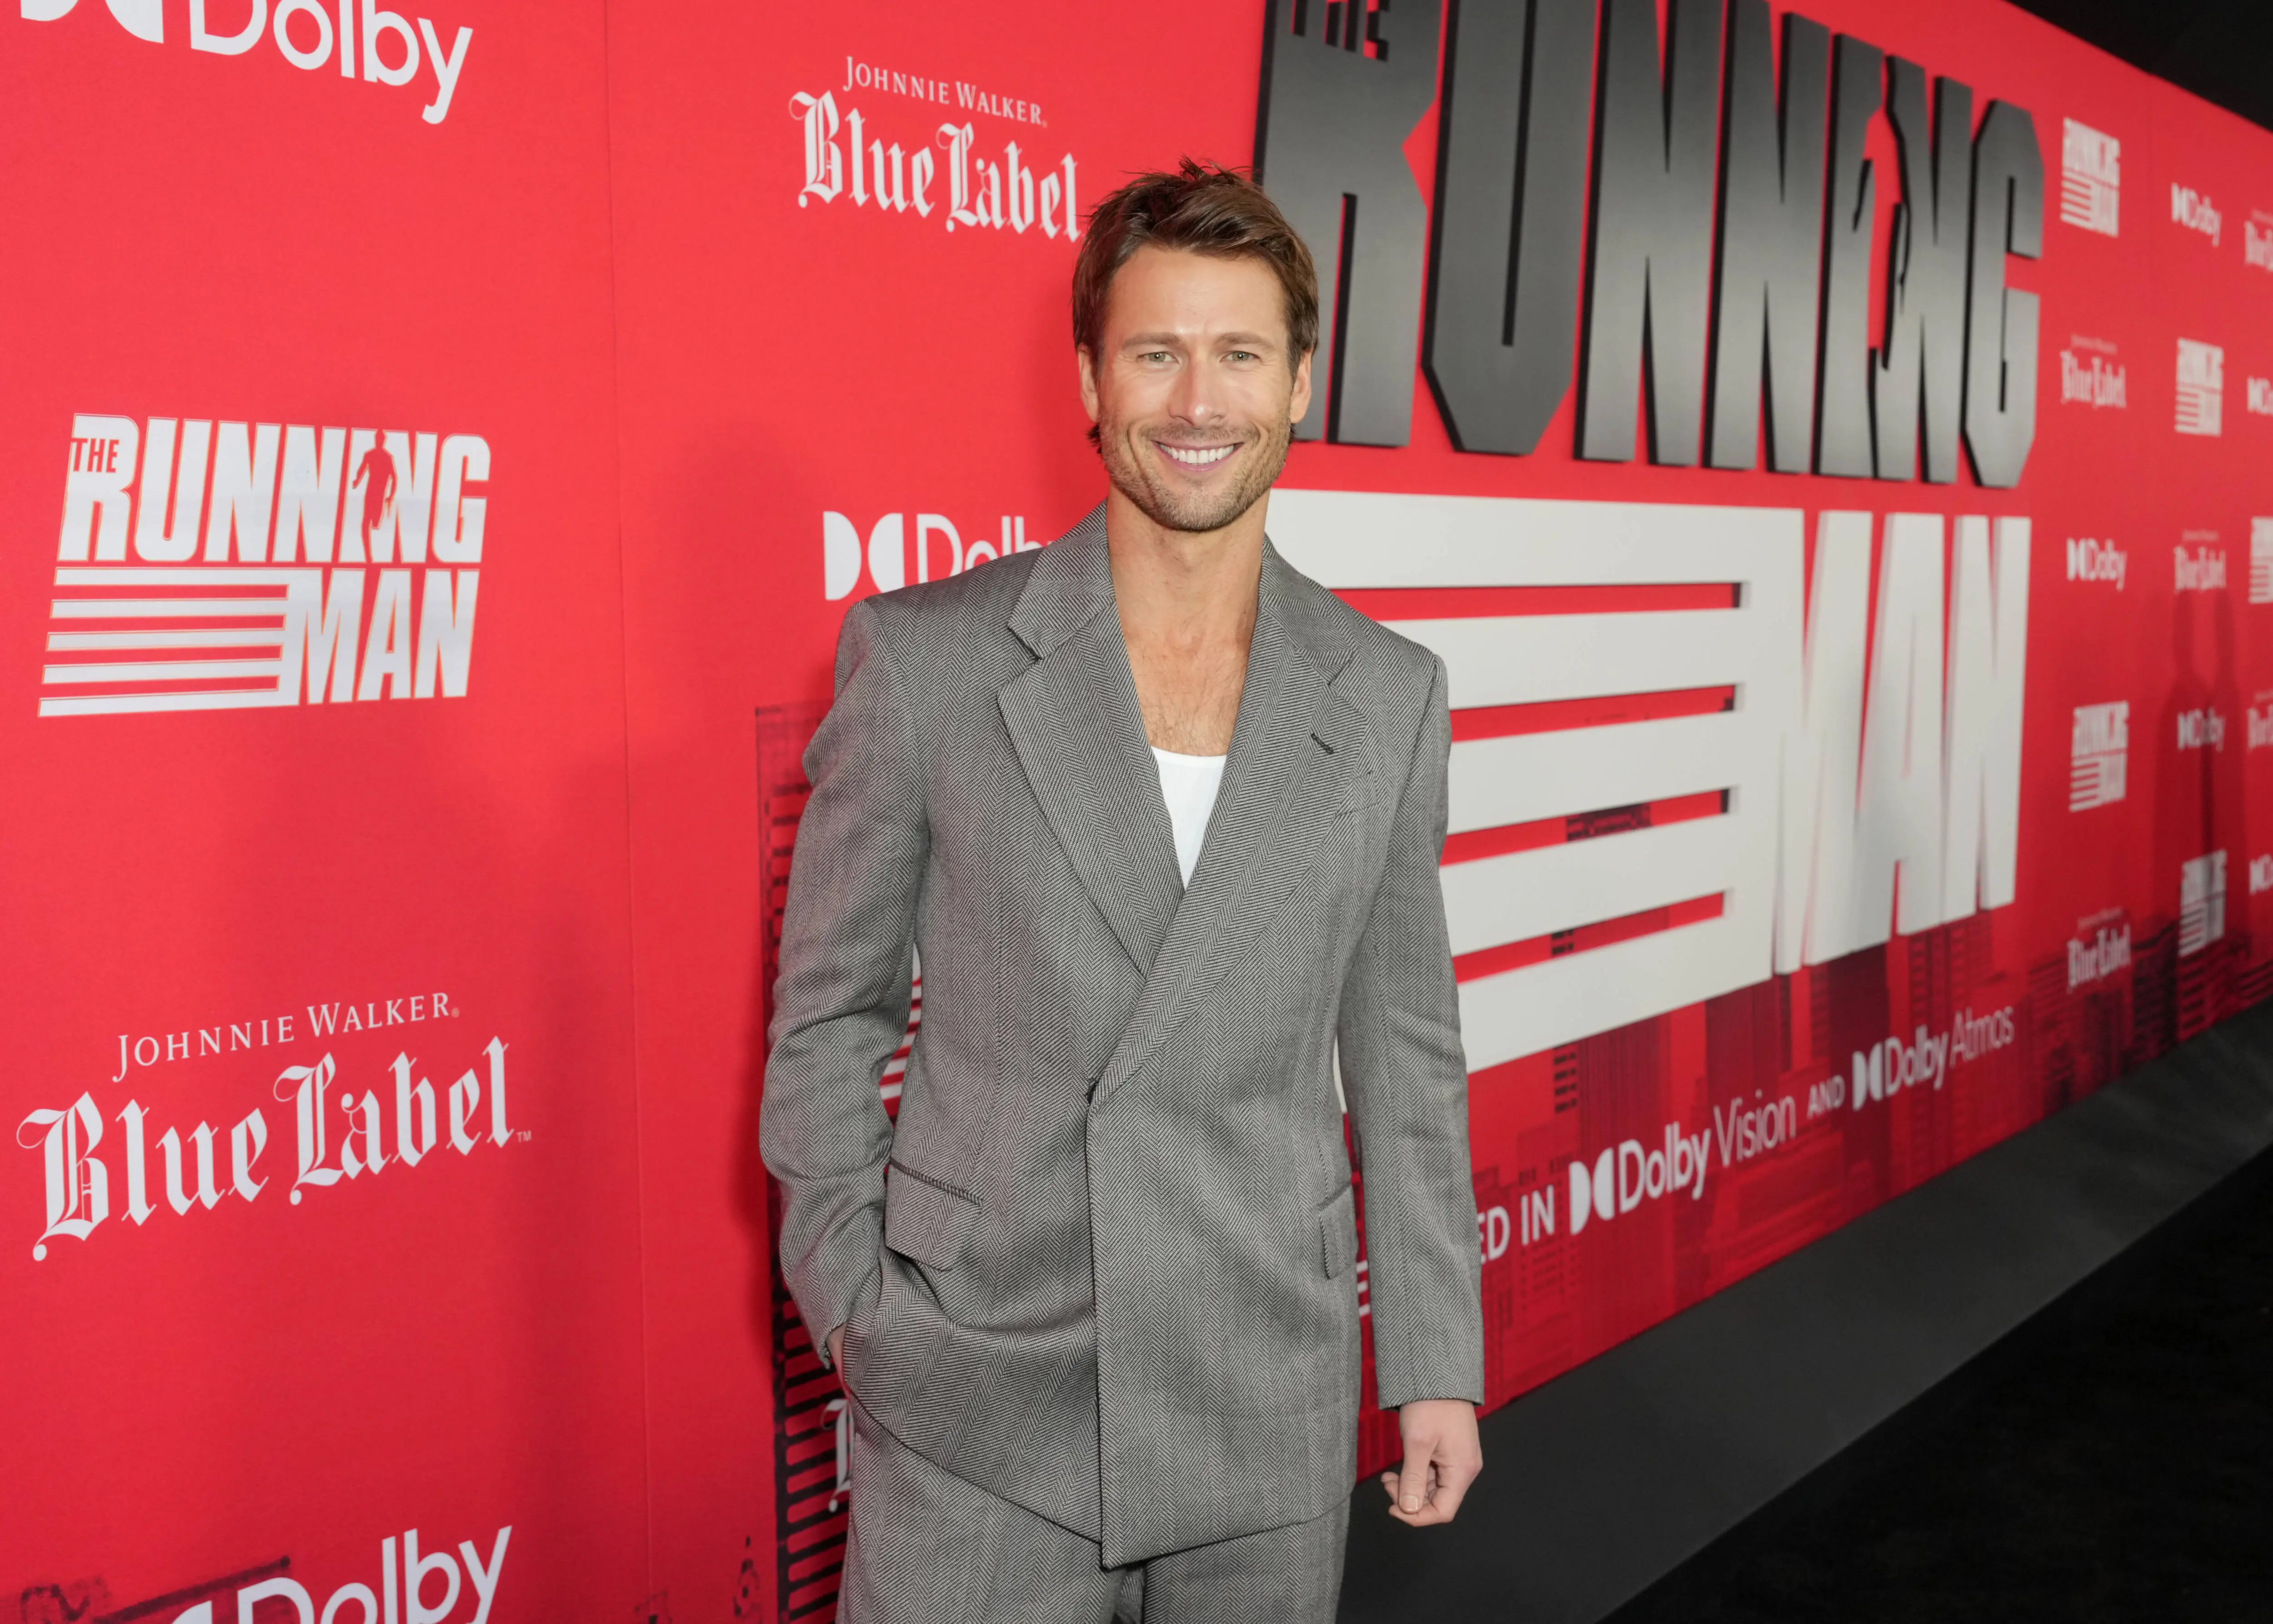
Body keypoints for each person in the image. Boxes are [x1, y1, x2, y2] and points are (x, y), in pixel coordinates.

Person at [761, 159, 1484, 1624]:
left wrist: (1433, 1361)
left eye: (1240, 354)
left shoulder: (1387, 695)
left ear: (1298, 384)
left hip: (1260, 1394)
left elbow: (1405, 1050)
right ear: (1092, 381)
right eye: (1157, 353)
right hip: (977, 1397)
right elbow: (829, 1016)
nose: (1198, 399)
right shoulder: (929, 662)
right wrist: (860, 1312)